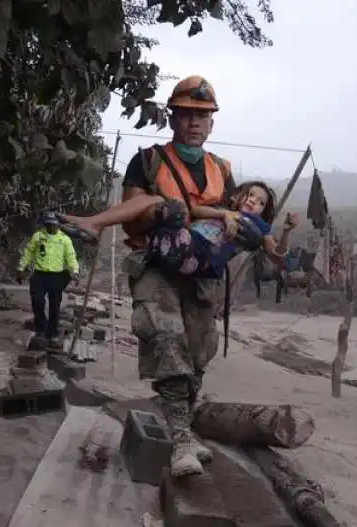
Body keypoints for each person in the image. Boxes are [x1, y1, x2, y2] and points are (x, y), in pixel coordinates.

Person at [112, 75, 299, 477]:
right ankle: (180, 439)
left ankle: (187, 426)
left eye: (203, 116)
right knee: (166, 338)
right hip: (155, 263)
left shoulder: (221, 170)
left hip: (202, 273)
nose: (195, 122)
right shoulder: (147, 160)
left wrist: (251, 233)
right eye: (186, 114)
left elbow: (236, 222)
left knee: (199, 352)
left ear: (212, 124)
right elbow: (131, 219)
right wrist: (162, 212)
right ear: (172, 118)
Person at [58, 180, 298, 280]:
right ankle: (94, 223)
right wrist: (224, 214)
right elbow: (196, 211)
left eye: (261, 202)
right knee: (159, 204)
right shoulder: (224, 211)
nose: (254, 201)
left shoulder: (259, 226)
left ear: (264, 211)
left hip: (200, 259)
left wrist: (286, 231)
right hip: (186, 239)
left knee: (172, 225)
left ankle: (148, 249)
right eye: (251, 195)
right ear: (236, 196)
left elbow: (277, 254)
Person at [17, 212, 80, 348]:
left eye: (52, 224)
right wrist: (21, 267)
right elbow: (28, 252)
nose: (49, 227)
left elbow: (71, 257)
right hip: (39, 275)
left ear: (57, 225)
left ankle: (52, 332)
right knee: (37, 301)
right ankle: (40, 329)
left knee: (54, 306)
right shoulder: (38, 236)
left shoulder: (64, 240)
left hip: (57, 276)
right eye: (47, 224)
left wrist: (74, 272)